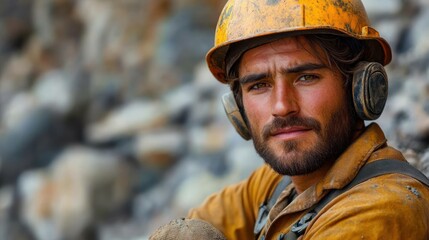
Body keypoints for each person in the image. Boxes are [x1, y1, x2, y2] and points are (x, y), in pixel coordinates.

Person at [151, 0, 429, 239]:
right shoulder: (281, 184)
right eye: (259, 85)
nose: (282, 107)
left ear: (359, 87)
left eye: (306, 77)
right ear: (238, 109)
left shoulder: (383, 209)